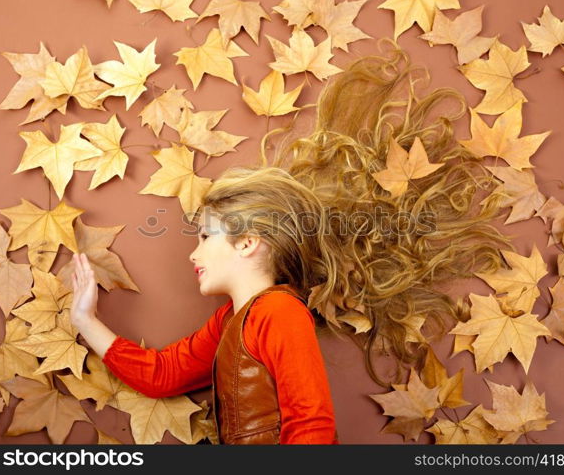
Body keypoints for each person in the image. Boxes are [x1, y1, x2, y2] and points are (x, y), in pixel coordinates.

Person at [71, 37, 516, 444]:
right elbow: (163, 374)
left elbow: (312, 426)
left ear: (248, 243)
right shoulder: (234, 320)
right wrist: (85, 319)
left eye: (206, 235)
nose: (194, 250)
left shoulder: (279, 313)